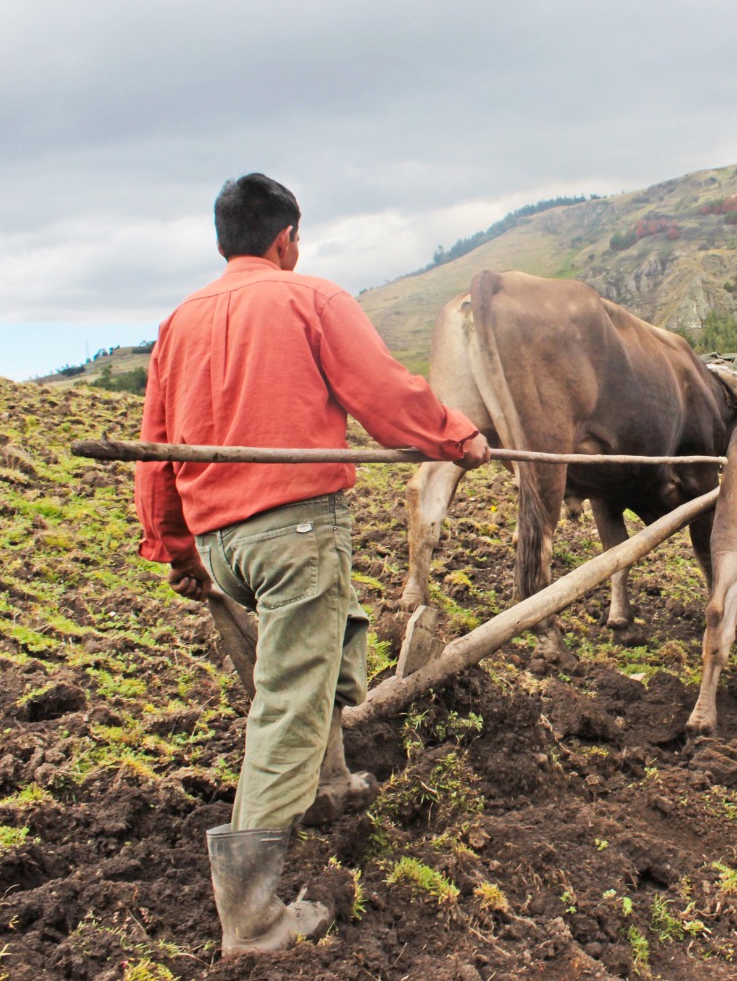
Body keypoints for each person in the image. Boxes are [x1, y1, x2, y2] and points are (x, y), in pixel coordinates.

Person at [135, 174, 489, 956]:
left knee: (342, 626)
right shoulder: (311, 299)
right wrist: (456, 438)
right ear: (285, 238)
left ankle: (327, 785)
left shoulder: (180, 322)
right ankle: (254, 917)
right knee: (289, 697)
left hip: (224, 540)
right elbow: (381, 393)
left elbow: (156, 447)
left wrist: (179, 548)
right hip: (294, 530)